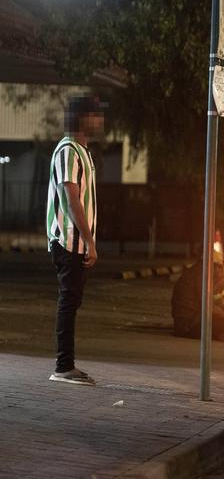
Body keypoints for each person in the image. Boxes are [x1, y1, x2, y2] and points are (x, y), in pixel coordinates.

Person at [47, 95, 105, 386]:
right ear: (83, 118)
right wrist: (90, 241)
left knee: (72, 301)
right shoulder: (68, 151)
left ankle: (66, 364)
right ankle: (63, 366)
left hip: (77, 242)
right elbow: (71, 200)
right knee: (68, 302)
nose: (100, 120)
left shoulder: (82, 152)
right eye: (96, 115)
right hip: (68, 241)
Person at [171, 253, 224, 342]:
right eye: (219, 267)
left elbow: (216, 301)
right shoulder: (201, 275)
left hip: (198, 318)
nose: (220, 270)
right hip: (188, 325)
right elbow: (209, 308)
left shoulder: (205, 274)